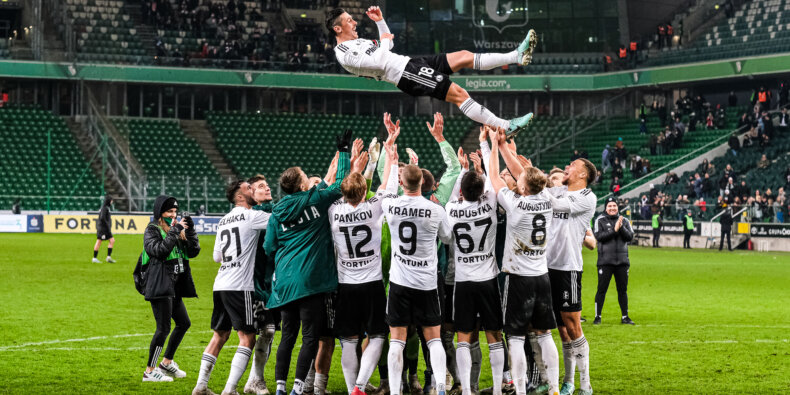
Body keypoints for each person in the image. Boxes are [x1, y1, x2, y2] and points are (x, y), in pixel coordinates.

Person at [326, 6, 536, 139]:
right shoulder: (344, 54)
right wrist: (386, 40)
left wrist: (380, 22)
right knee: (459, 94)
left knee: (463, 56)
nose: (354, 22)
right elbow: (380, 60)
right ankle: (505, 126)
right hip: (405, 75)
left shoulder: (358, 41)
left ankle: (516, 56)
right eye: (348, 20)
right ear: (337, 29)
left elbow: (386, 48)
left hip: (409, 64)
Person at [262, 131, 357, 395]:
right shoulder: (314, 200)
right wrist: (344, 150)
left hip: (284, 283)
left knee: (287, 337)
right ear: (303, 185)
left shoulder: (276, 213)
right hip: (311, 281)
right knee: (310, 338)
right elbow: (340, 183)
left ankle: (280, 387)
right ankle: (297, 388)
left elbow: (269, 247)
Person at [488, 127, 560, 395]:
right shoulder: (547, 199)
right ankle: (553, 388)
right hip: (541, 276)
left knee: (516, 337)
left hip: (518, 278)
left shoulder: (515, 204)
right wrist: (506, 145)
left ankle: (519, 390)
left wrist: (494, 146)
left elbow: (495, 176)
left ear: (522, 186)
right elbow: (524, 175)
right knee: (544, 334)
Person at [328, 134, 399, 395]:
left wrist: (354, 167)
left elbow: (338, 187)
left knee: (348, 340)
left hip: (345, 284)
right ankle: (360, 386)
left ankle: (351, 390)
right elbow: (389, 187)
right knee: (378, 335)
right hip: (372, 283)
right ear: (364, 191)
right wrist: (390, 154)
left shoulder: (334, 209)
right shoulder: (373, 207)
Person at [381, 158, 453, 395]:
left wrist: (391, 157)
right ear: (423, 181)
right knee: (434, 339)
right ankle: (441, 387)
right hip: (427, 283)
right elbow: (447, 238)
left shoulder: (390, 206)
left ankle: (394, 391)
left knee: (397, 341)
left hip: (400, 283)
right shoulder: (436, 210)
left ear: (402, 182)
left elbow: (387, 190)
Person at [192, 181, 271, 395]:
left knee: (220, 335)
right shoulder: (252, 216)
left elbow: (217, 256)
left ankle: (200, 386)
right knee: (247, 338)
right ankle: (230, 389)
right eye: (248, 188)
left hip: (221, 284)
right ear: (239, 196)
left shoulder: (223, 220)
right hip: (240, 286)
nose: (252, 190)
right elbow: (278, 220)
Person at [443, 128, 506, 395]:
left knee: (464, 337)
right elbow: (493, 175)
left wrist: (463, 170)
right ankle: (499, 387)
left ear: (462, 190)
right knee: (494, 335)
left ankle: (467, 390)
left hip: (464, 281)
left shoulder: (451, 209)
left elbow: (446, 237)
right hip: (488, 278)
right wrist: (486, 142)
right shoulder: (490, 201)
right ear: (481, 188)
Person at [544, 158, 598, 395]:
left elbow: (554, 204)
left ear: (583, 173)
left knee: (573, 326)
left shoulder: (587, 196)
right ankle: (568, 381)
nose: (567, 166)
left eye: (573, 165)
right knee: (561, 329)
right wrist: (507, 151)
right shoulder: (560, 190)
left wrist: (536, 185)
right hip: (548, 267)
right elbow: (544, 193)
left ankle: (585, 383)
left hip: (569, 268)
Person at [142, 195, 201, 382]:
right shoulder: (152, 230)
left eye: (175, 212)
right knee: (163, 328)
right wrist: (175, 231)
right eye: (169, 212)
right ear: (160, 213)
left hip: (174, 286)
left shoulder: (177, 230)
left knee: (184, 323)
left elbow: (193, 252)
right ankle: (150, 371)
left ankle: (166, 363)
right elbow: (159, 251)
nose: (173, 215)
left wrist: (190, 231)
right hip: (159, 284)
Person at [244, 174, 277, 395]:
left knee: (268, 331)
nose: (267, 188)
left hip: (269, 281)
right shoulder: (255, 214)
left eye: (267, 185)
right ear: (252, 195)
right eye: (261, 187)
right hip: (254, 283)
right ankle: (254, 380)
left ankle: (254, 380)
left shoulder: (268, 211)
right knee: (261, 331)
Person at [592, 197, 635, 325]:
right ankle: (597, 316)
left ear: (618, 207)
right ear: (606, 207)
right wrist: (614, 229)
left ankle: (625, 317)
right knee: (601, 290)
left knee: (622, 290)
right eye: (610, 206)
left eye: (614, 206)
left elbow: (630, 237)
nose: (612, 208)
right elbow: (599, 237)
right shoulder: (599, 220)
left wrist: (620, 227)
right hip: (605, 262)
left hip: (622, 262)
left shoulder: (624, 220)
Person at [93, 196, 116, 263]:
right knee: (99, 241)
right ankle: (94, 258)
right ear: (109, 201)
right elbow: (102, 218)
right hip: (103, 229)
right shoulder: (104, 208)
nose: (112, 202)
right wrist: (107, 225)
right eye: (111, 200)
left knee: (112, 240)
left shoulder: (106, 208)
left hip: (105, 229)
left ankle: (108, 257)